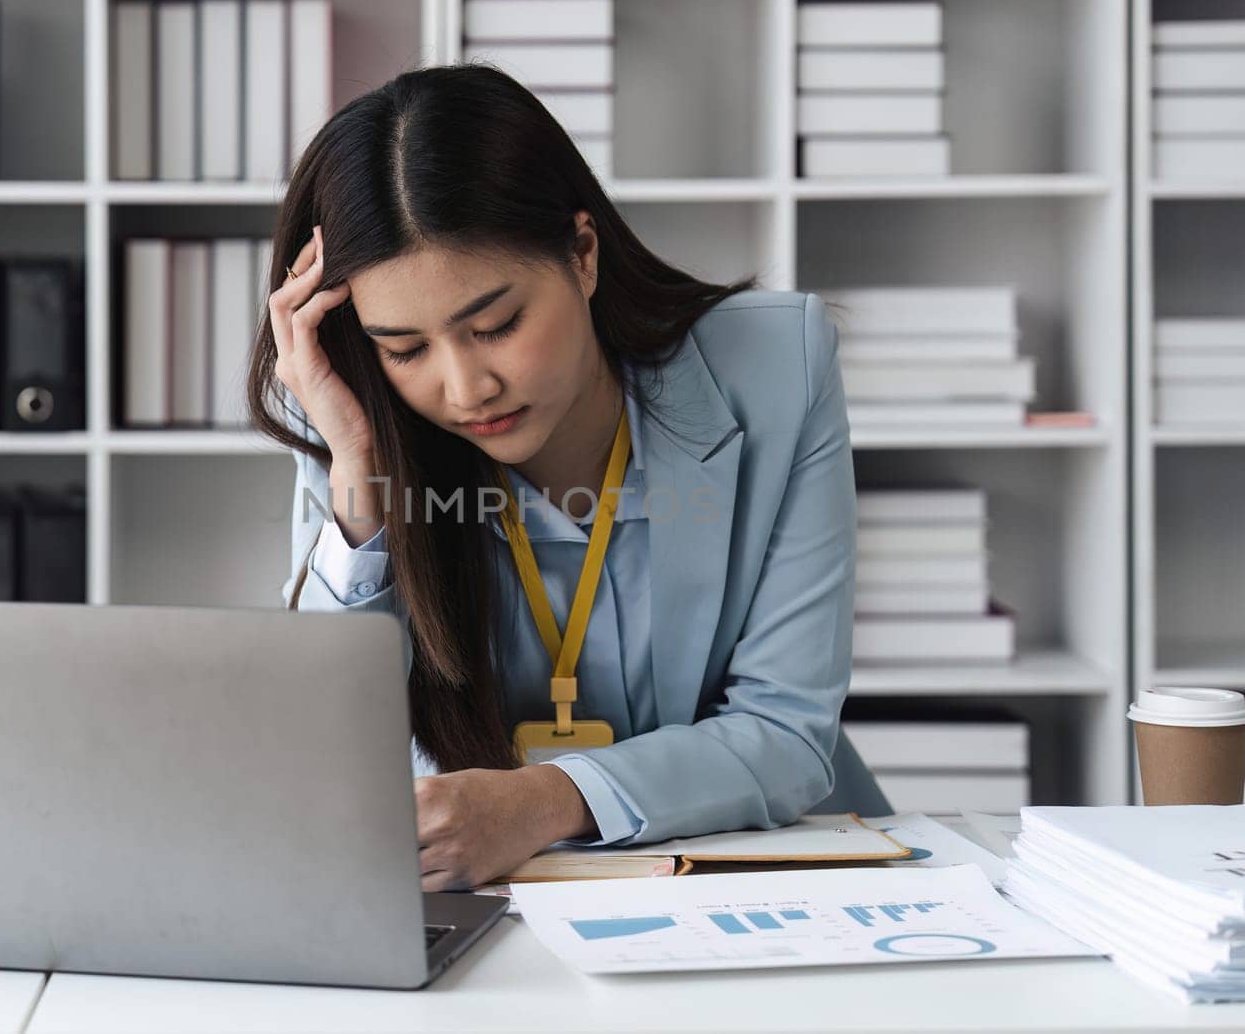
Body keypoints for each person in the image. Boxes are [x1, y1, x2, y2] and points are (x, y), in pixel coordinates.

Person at [247, 63, 890, 893]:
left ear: (582, 254)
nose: (465, 387)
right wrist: (357, 485)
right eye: (405, 349)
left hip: (763, 872)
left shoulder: (778, 366)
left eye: (496, 324)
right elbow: (321, 757)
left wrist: (543, 801)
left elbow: (786, 731)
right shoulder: (353, 418)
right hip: (493, 897)